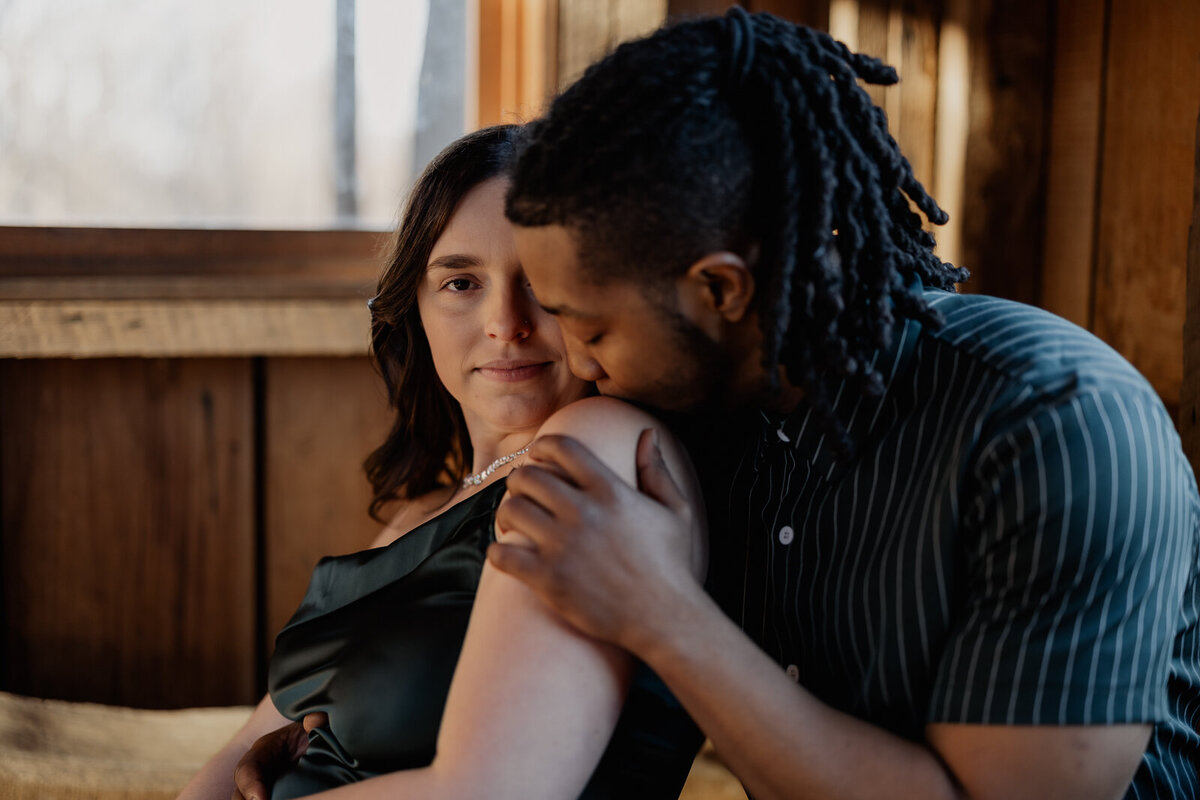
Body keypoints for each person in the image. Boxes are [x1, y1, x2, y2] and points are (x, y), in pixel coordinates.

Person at [487, 8, 1200, 799]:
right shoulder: (701, 419)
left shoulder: (1058, 423)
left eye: (590, 329)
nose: (577, 361)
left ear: (721, 289)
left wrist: (659, 610)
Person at [177, 125, 706, 800]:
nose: (505, 322)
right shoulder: (416, 516)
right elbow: (227, 767)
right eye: (461, 281)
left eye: (543, 286)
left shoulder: (599, 441)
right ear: (417, 309)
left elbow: (493, 790)